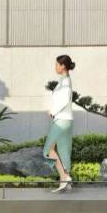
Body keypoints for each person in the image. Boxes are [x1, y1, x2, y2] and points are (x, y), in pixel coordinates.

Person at [44, 54, 76, 193]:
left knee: (48, 150)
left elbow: (64, 99)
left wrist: (53, 111)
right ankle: (66, 179)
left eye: (57, 64)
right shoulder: (64, 80)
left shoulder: (65, 82)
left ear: (63, 66)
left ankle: (64, 177)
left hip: (61, 120)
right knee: (63, 150)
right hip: (64, 119)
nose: (55, 67)